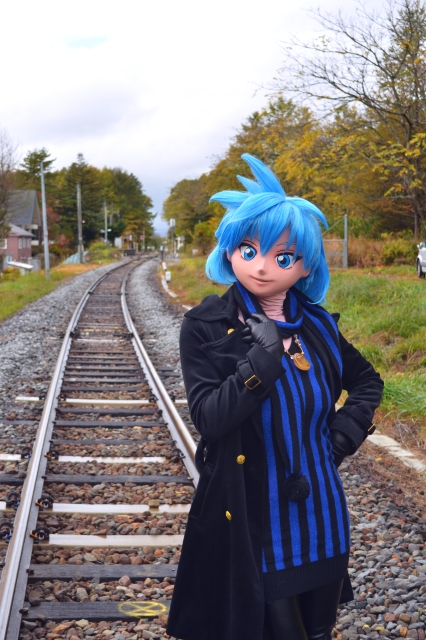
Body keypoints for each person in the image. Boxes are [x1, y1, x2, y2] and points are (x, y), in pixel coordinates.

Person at [166, 154, 384, 640]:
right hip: (252, 522)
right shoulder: (206, 326)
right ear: (228, 251)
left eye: (283, 257)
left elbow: (368, 381)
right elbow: (209, 418)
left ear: (305, 267)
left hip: (321, 515)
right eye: (248, 250)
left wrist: (340, 439)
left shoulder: (318, 325)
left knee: (318, 630)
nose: (262, 268)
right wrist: (262, 363)